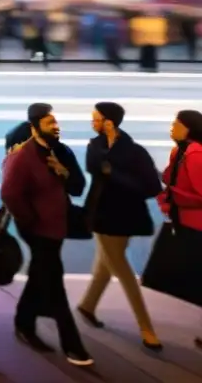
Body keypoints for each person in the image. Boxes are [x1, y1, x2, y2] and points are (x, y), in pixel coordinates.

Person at [0, 102, 93, 366]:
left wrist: (63, 173)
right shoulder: (22, 154)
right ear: (34, 126)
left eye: (56, 122)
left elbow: (77, 187)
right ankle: (73, 346)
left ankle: (24, 321)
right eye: (49, 122)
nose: (56, 126)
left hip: (56, 225)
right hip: (36, 228)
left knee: (42, 272)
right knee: (54, 280)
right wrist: (29, 220)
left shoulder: (61, 152)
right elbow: (10, 193)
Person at [77, 102, 163, 350]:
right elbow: (93, 169)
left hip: (124, 215)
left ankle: (142, 326)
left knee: (115, 268)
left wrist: (112, 172)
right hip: (101, 215)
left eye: (96, 119)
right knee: (114, 265)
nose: (92, 122)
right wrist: (109, 170)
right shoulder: (95, 146)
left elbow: (152, 188)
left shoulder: (136, 152)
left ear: (109, 122)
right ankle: (92, 307)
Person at [156, 109, 202, 350]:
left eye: (176, 124)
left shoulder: (196, 155)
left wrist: (174, 195)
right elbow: (169, 177)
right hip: (183, 221)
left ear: (189, 128)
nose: (172, 127)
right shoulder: (180, 151)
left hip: (197, 225)